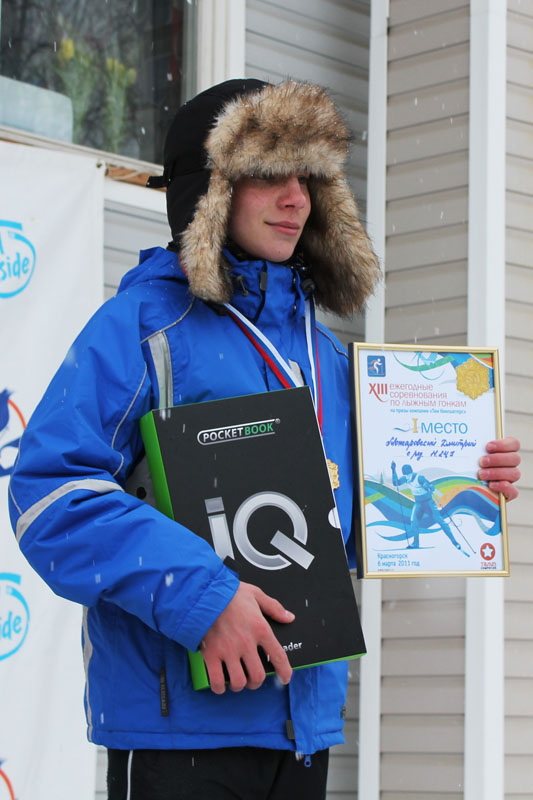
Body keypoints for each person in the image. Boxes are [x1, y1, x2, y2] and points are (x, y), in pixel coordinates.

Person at [8, 79, 521, 800]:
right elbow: (50, 496)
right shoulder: (143, 328)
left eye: (307, 176)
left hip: (302, 729)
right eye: (267, 174)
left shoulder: (330, 359)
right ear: (209, 191)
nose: (295, 199)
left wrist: (460, 478)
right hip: (179, 734)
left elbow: (344, 528)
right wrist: (201, 599)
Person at [391, 461, 468, 553]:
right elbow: (396, 483)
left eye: (408, 476)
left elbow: (429, 485)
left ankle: (454, 542)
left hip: (428, 503)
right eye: (405, 476)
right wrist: (393, 470)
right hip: (418, 504)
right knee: (414, 522)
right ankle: (416, 543)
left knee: (440, 521)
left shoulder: (419, 478)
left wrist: (428, 486)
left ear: (411, 472)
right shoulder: (406, 478)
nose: (407, 478)